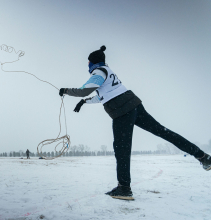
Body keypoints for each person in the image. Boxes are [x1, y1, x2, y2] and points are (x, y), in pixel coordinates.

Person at [59, 45, 211, 201]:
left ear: (93, 62)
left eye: (88, 62)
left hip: (122, 111)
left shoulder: (98, 72)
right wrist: (84, 102)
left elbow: (84, 89)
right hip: (134, 105)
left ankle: (124, 188)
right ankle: (203, 156)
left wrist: (66, 91)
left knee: (121, 149)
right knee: (163, 131)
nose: (88, 65)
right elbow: (104, 95)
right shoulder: (107, 71)